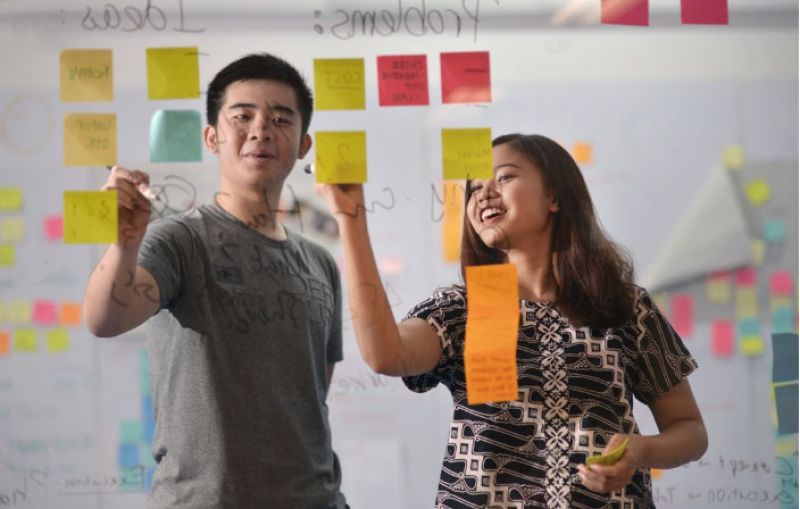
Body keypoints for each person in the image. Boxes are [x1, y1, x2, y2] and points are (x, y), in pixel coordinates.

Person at [316, 133, 708, 508]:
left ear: (554, 196)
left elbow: (690, 430)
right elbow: (387, 355)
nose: (484, 192)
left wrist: (641, 451)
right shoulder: (461, 308)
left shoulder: (623, 305)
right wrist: (351, 220)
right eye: (473, 188)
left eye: (504, 177)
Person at [83, 53, 348, 509]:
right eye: (242, 115)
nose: (261, 129)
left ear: (304, 145)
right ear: (212, 137)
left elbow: (311, 398)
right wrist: (124, 245)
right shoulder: (180, 241)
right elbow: (105, 319)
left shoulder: (321, 263)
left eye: (280, 118)